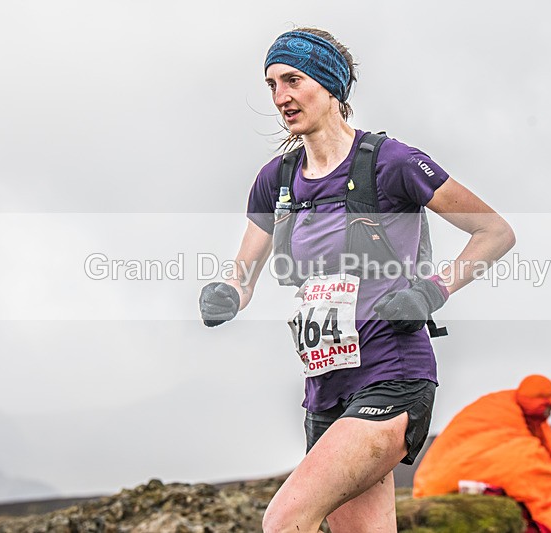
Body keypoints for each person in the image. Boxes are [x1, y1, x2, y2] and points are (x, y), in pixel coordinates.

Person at [199, 27, 515, 533]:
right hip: (325, 390)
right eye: (272, 84)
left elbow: (494, 232)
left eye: (293, 80)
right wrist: (227, 295)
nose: (280, 97)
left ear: (329, 86)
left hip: (393, 374)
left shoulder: (393, 164)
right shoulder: (276, 179)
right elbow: (244, 276)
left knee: (284, 520)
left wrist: (432, 290)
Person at [413, 375, 551, 533]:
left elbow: (547, 450)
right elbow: (511, 455)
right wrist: (549, 471)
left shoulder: (527, 414)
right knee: (532, 470)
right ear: (537, 403)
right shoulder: (500, 408)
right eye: (548, 406)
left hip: (442, 475)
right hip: (441, 477)